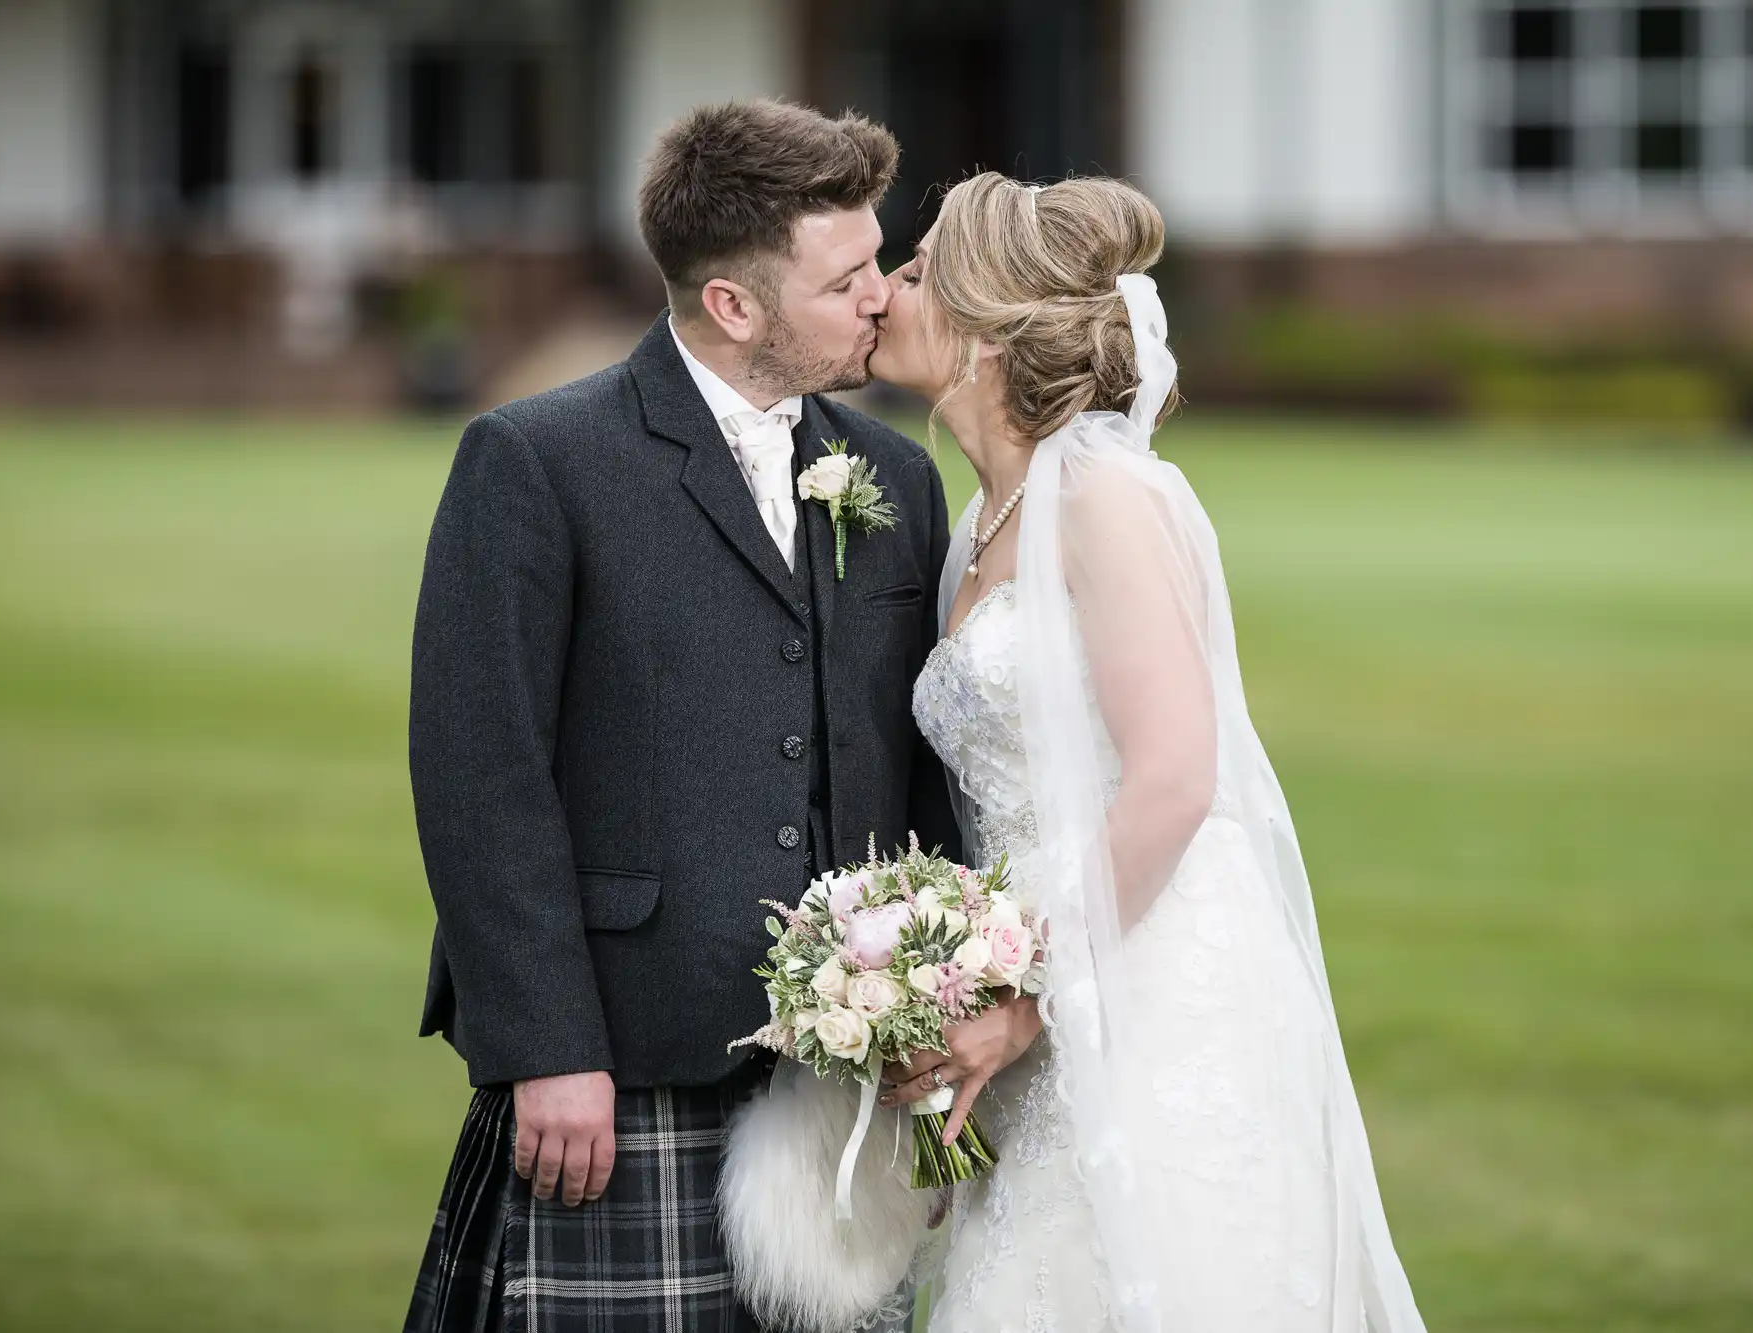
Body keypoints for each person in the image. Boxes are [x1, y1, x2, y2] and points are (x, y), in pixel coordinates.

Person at [401, 100, 961, 1333]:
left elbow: (923, 770)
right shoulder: (537, 462)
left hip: (846, 1075)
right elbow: (479, 773)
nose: (883, 293)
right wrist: (546, 1045)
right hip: (624, 1056)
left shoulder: (899, 476)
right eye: (847, 276)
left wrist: (933, 1007)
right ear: (732, 307)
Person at [872, 172, 1429, 1333]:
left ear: (979, 330)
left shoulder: (1107, 495)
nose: (883, 289)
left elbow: (1175, 776)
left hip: (1147, 973)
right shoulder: (974, 523)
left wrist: (1025, 996)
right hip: (1040, 961)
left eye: (916, 270)